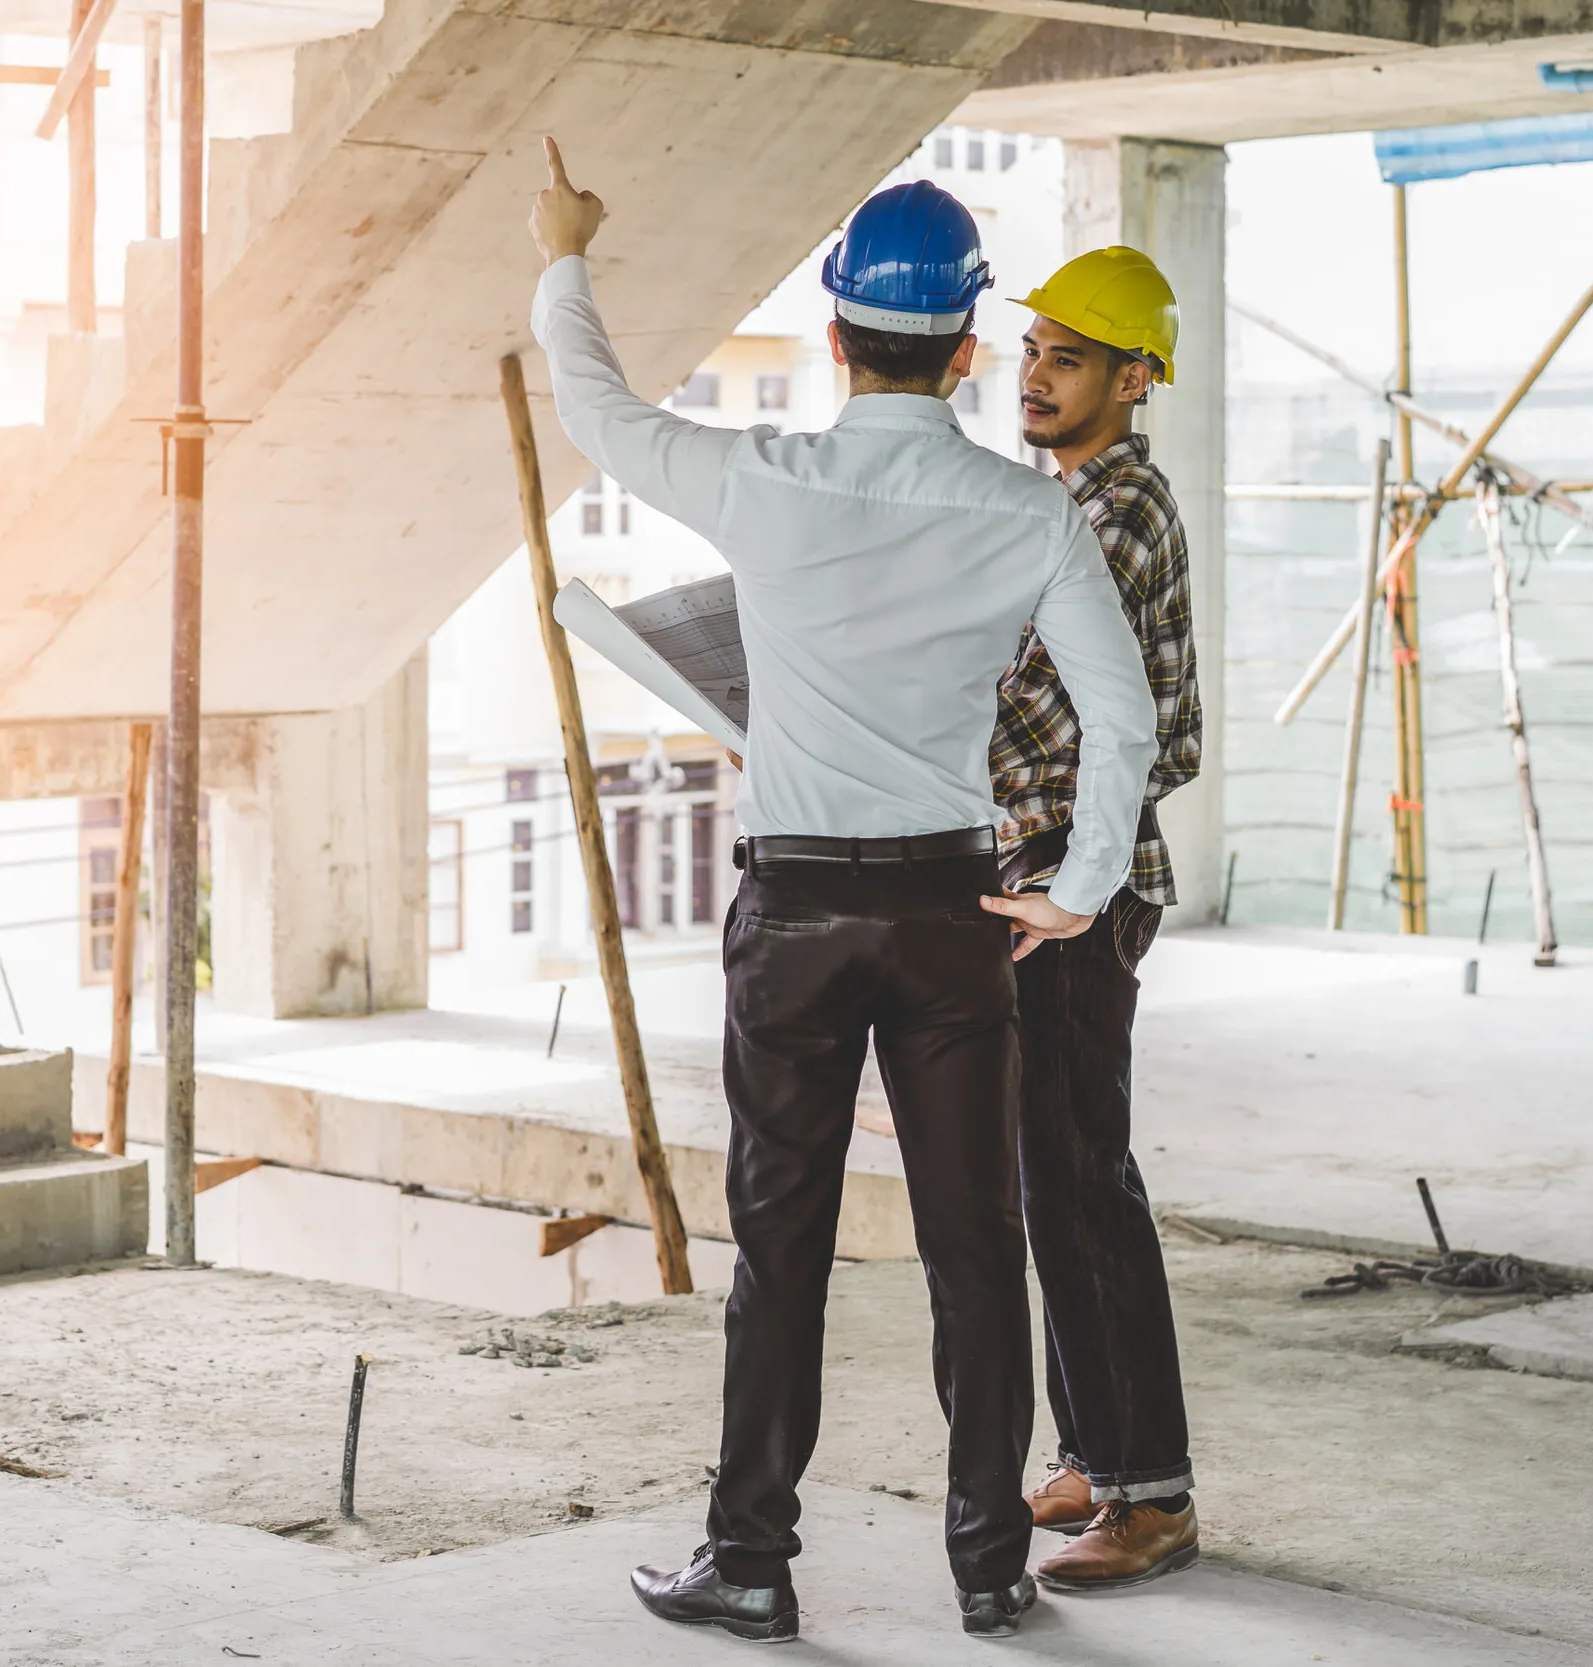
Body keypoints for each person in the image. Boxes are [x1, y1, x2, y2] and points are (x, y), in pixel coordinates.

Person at [526, 140, 1157, 1641]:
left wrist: (565, 248)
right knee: (973, 1255)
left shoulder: (766, 479)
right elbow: (1121, 716)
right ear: (964, 346)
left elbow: (601, 413)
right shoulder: (1029, 511)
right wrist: (1072, 889)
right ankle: (990, 1562)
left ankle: (750, 1557)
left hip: (796, 919)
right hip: (953, 920)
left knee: (781, 1250)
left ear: (835, 334)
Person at [995, 247, 1204, 1590]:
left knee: (1084, 1181)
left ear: (1134, 378)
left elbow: (1024, 695)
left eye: (1068, 357)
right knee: (1052, 1182)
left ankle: (1154, 1495)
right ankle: (1097, 1452)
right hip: (1044, 868)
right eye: (1032, 350)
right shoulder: (1065, 498)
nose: (1036, 373)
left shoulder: (1113, 510)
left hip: (1083, 880)